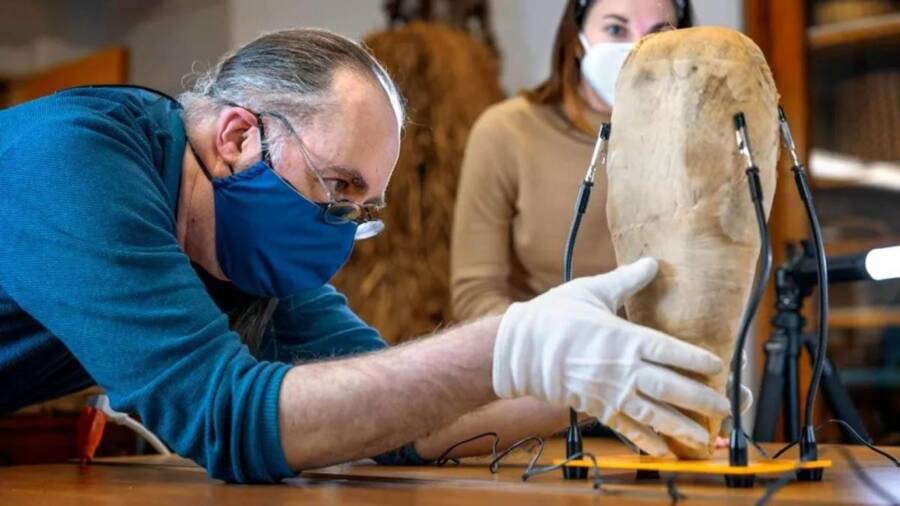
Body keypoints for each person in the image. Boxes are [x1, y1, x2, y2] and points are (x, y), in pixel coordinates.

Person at [0, 28, 728, 484]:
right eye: (336, 187)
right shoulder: (77, 162)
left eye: (359, 208)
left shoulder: (249, 253)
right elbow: (224, 417)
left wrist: (588, 380)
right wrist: (509, 342)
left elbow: (397, 419)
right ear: (236, 139)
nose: (339, 230)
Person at [451, 0, 693, 321]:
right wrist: (556, 342)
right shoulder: (507, 132)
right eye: (616, 29)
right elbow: (475, 295)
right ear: (577, 38)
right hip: (542, 362)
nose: (636, 48)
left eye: (658, 34)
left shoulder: (698, 140)